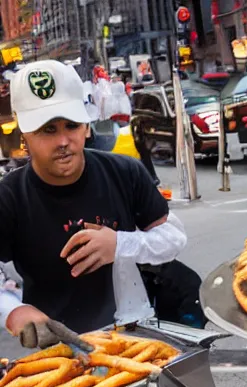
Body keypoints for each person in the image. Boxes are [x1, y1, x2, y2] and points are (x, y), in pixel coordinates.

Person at [0, 60, 187, 339]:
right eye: (47, 130)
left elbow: (174, 238)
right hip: (58, 344)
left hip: (135, 330)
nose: (63, 141)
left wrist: (120, 244)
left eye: (72, 125)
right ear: (25, 134)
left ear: (86, 126)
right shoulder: (9, 196)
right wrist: (13, 310)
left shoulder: (125, 172)